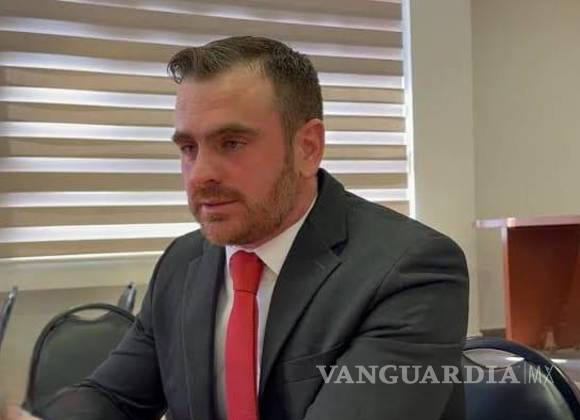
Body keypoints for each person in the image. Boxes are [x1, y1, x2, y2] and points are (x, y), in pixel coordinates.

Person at [8, 36, 469, 420]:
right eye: (188, 148)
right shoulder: (183, 263)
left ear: (308, 147)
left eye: (231, 143)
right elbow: (113, 397)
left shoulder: (412, 271)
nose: (201, 174)